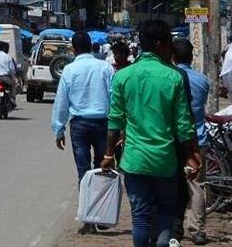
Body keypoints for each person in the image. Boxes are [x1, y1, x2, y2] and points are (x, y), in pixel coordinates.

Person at [101, 20, 200, 247]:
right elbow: (184, 124)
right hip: (165, 161)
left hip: (134, 160)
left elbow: (115, 121)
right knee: (166, 213)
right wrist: (192, 155)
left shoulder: (123, 76)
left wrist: (108, 154)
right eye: (168, 43)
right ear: (160, 45)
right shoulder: (173, 77)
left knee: (140, 217)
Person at [52, 31, 114, 186]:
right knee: (103, 169)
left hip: (79, 125)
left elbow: (61, 102)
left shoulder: (69, 70)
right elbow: (114, 98)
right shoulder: (106, 68)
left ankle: (86, 200)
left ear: (73, 49)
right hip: (103, 124)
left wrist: (59, 130)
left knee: (83, 172)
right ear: (91, 47)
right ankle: (101, 200)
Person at [173, 39, 211, 246]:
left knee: (172, 185)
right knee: (197, 186)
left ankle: (174, 227)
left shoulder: (170, 78)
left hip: (175, 140)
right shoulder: (202, 80)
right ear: (191, 56)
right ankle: (197, 230)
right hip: (198, 139)